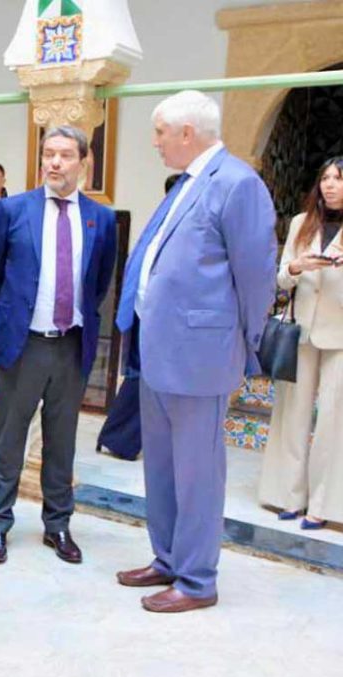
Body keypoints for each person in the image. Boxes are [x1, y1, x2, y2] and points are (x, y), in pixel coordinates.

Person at [114, 90, 276, 613]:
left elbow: (256, 277)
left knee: (197, 474)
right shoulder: (188, 183)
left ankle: (197, 579)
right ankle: (167, 558)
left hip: (201, 355)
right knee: (161, 468)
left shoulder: (237, 184)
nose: (155, 142)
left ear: (187, 133)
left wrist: (243, 343)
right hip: (158, 351)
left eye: (160, 132)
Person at [0, 125, 117, 566]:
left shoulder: (101, 219)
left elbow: (98, 283)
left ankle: (57, 524)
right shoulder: (12, 210)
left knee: (62, 442)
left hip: (70, 346)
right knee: (10, 439)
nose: (55, 162)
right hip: (23, 345)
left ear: (84, 162)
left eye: (65, 155)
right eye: (49, 154)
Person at [259, 156, 343, 531]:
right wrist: (297, 267)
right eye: (325, 178)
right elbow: (281, 277)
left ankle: (324, 504)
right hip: (302, 329)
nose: (330, 185)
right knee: (292, 412)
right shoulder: (300, 223)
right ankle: (288, 495)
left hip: (339, 335)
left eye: (338, 178)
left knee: (334, 420)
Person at [96, 174, 182, 461]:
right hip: (155, 316)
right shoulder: (168, 226)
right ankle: (119, 439)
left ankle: (116, 438)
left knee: (144, 377)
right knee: (145, 378)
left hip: (151, 313)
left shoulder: (163, 224)